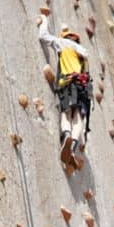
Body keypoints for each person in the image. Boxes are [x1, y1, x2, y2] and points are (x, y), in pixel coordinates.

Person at [38, 12, 91, 169]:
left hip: (67, 83)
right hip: (83, 90)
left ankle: (66, 137)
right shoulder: (83, 52)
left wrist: (44, 20)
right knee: (78, 120)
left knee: (65, 115)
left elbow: (43, 37)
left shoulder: (63, 43)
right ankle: (73, 146)